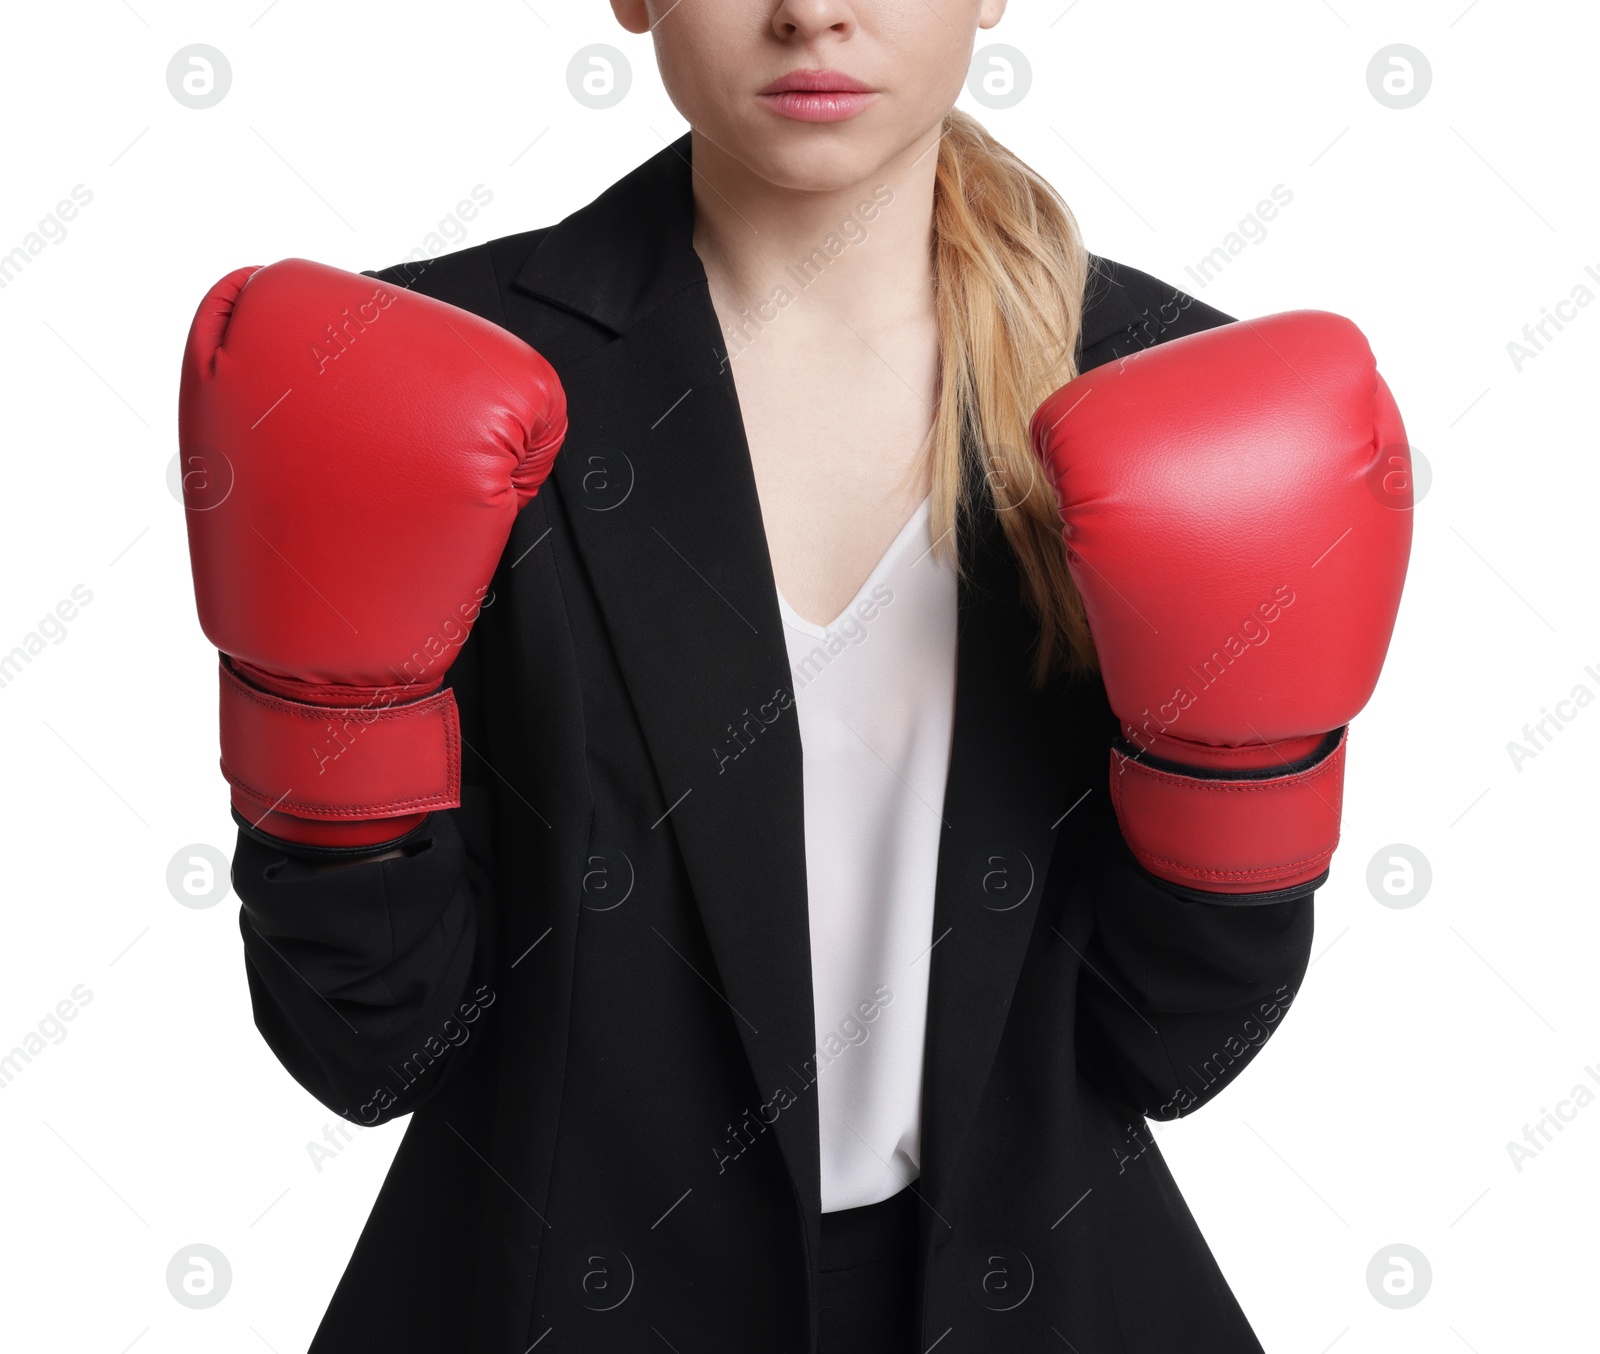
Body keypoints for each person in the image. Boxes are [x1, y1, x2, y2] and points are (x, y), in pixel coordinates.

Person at [176, 2, 1411, 1349]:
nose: (812, 9)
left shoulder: (1173, 394)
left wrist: (1235, 777)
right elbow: (373, 1053)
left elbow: (1175, 1048)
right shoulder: (415, 375)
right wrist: (330, 749)